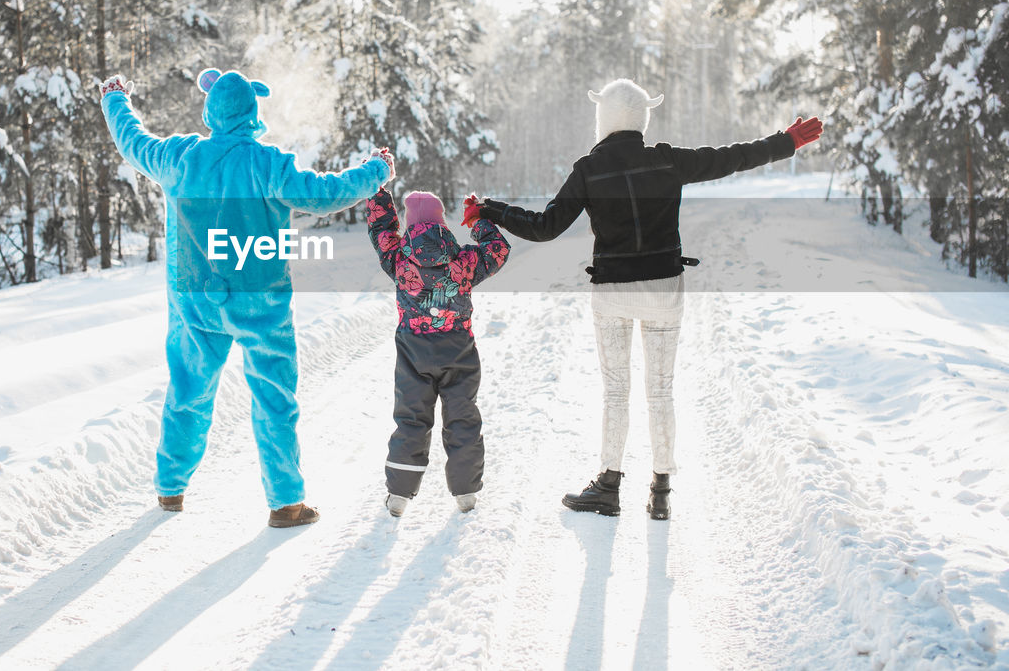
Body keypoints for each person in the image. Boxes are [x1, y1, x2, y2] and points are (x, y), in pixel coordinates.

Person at [466, 78, 822, 520]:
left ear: (604, 118)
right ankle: (660, 492)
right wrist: (785, 142)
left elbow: (545, 226)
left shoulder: (588, 169)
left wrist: (490, 209)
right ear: (641, 118)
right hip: (664, 290)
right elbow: (732, 158)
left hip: (612, 292)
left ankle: (609, 486)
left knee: (616, 392)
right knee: (661, 391)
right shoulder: (667, 161)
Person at [99, 69, 393, 528]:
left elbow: (131, 139)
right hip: (261, 303)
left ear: (209, 109)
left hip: (195, 300)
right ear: (252, 112)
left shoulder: (178, 158)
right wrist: (377, 169)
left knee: (188, 392)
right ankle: (285, 502)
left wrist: (114, 98)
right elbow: (328, 193)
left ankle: (170, 488)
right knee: (274, 398)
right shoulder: (267, 163)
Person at [367, 187, 510, 516]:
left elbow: (381, 229)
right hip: (458, 348)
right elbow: (498, 250)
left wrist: (376, 190)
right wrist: (477, 221)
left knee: (411, 419)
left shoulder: (398, 258)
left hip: (413, 352)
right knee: (462, 417)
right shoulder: (463, 259)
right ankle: (466, 492)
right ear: (442, 222)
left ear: (409, 224)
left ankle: (400, 495)